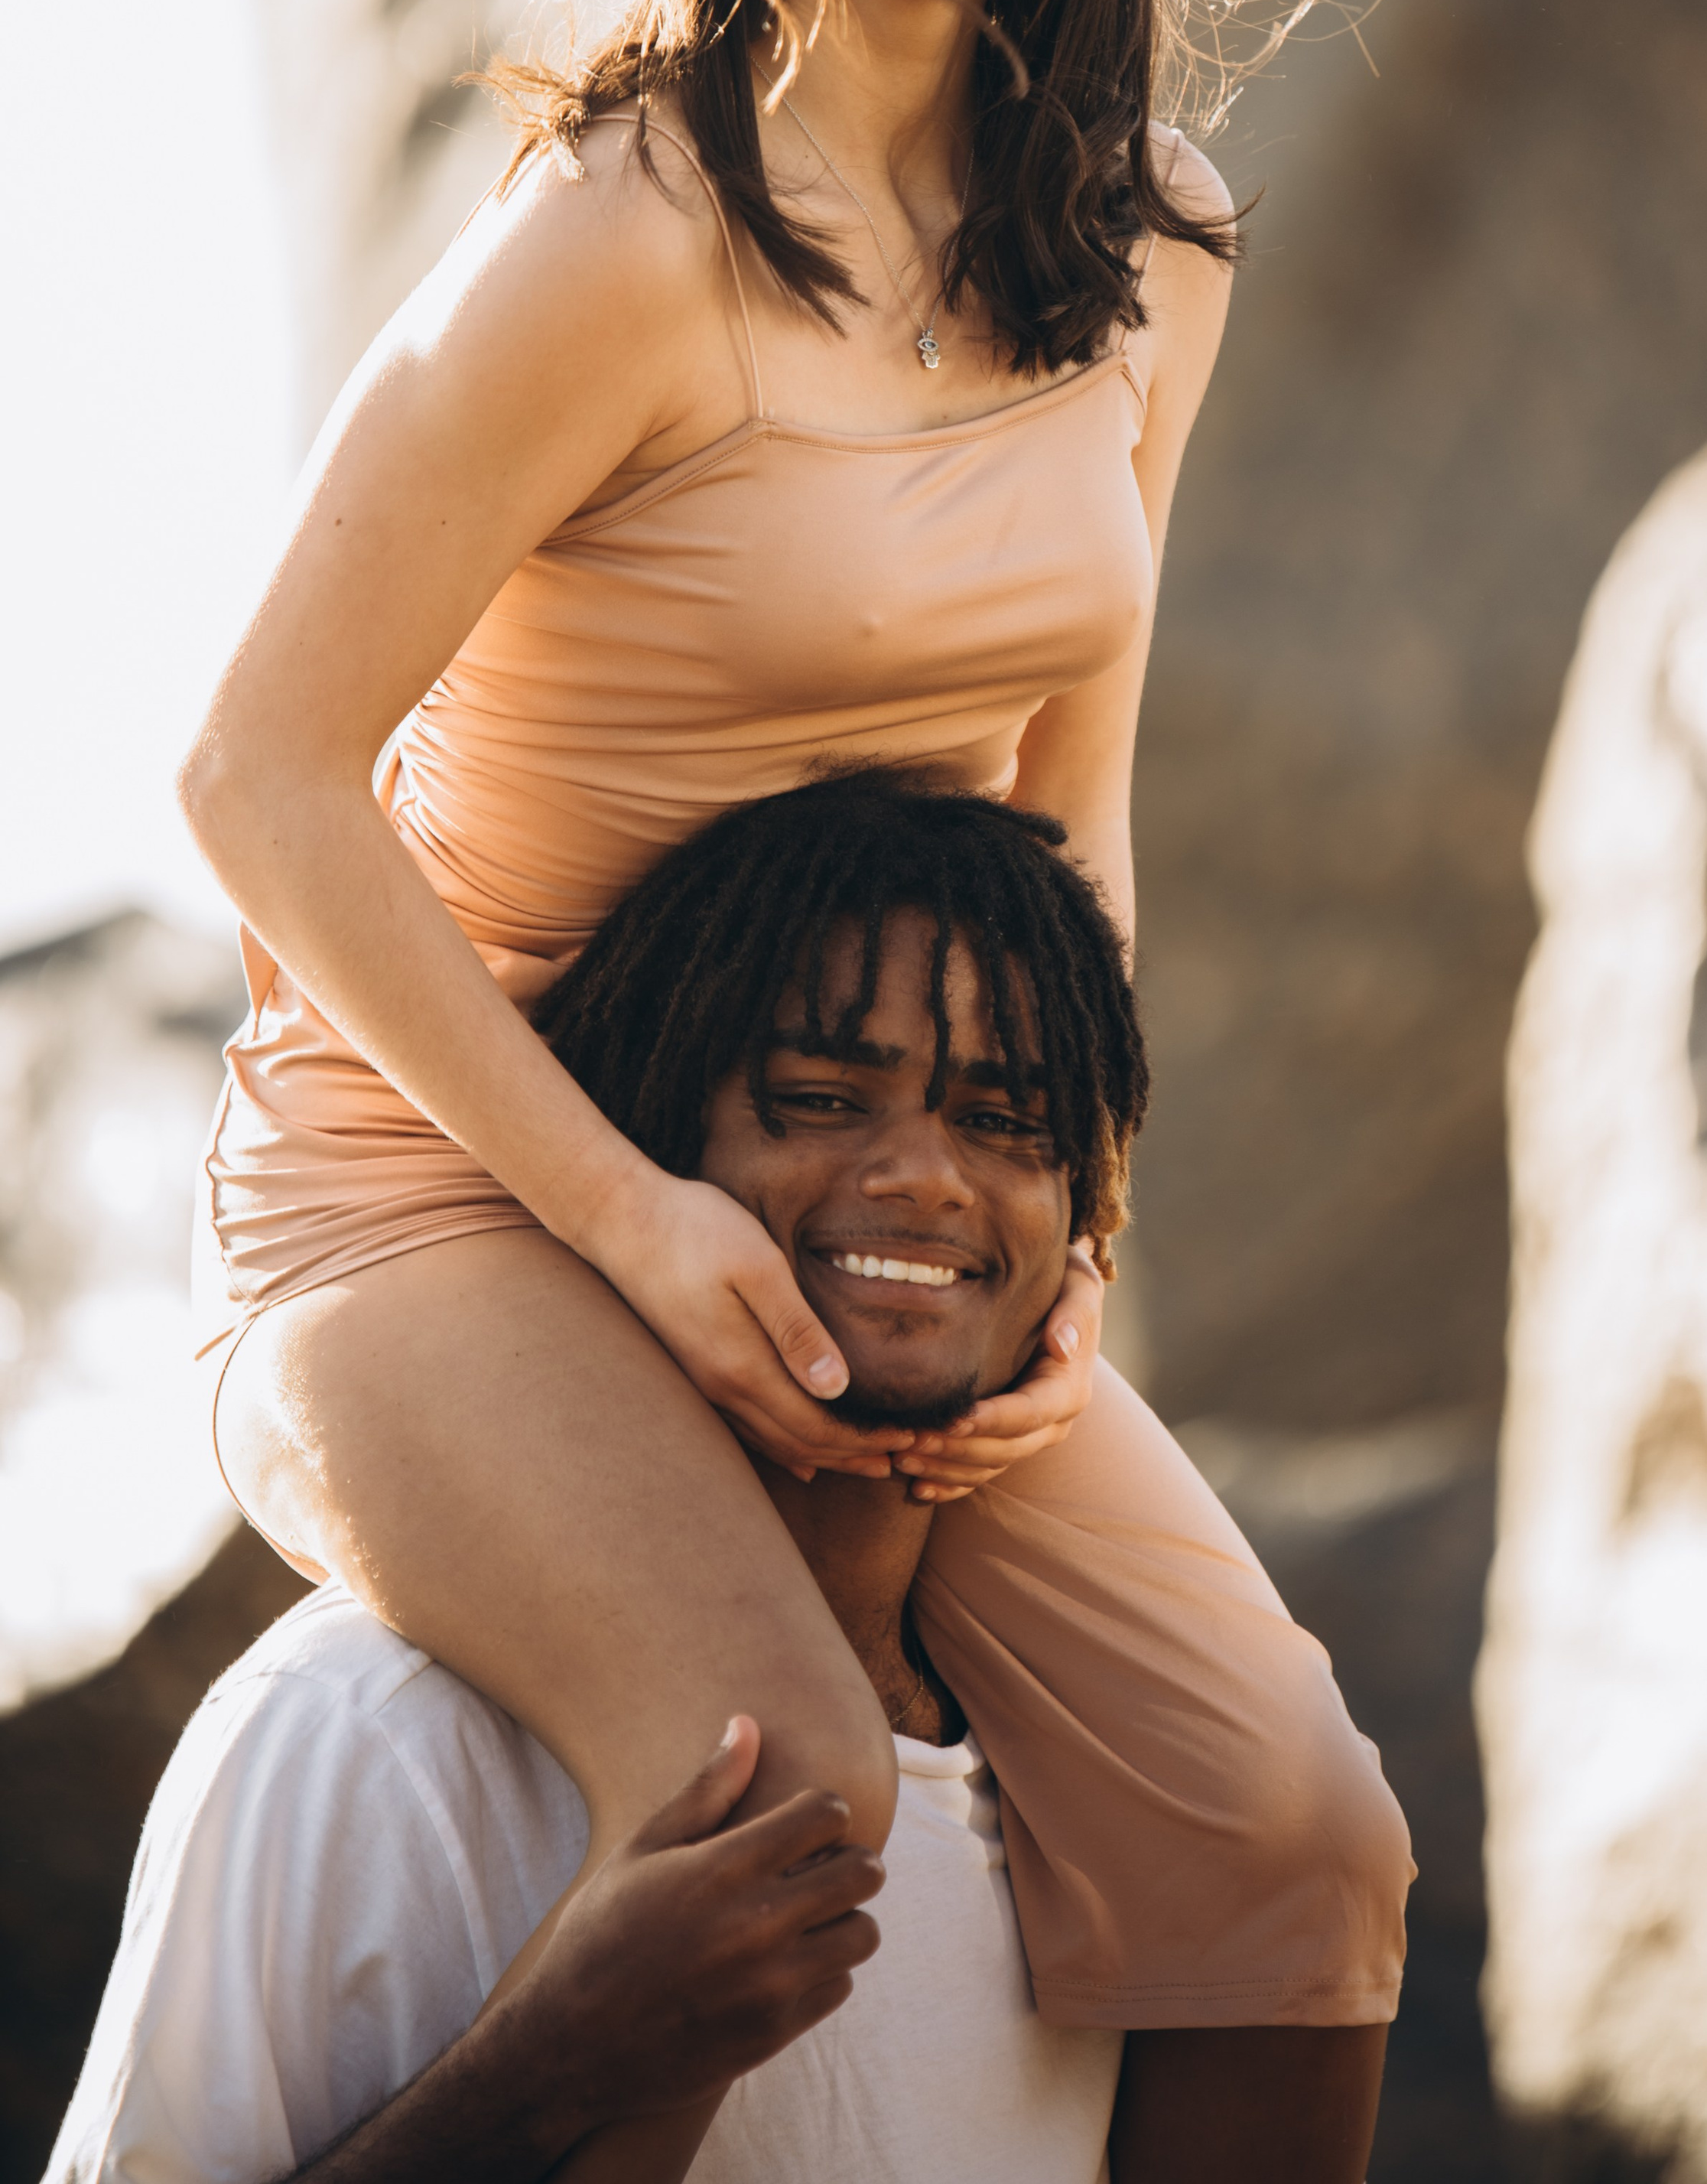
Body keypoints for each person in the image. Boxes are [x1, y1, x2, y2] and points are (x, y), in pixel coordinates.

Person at [178, 0, 1412, 2183]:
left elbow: (1063, 810)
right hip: (447, 1193)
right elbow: (252, 775)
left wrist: (1066, 1226)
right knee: (789, 1803)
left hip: (864, 1179)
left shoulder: (1152, 247)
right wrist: (628, 1221)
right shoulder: (621, 234)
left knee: (1302, 1853)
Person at [54, 779, 1383, 2180]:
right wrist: (544, 2065)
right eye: (817, 1099)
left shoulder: (1119, 1802)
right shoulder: (365, 1735)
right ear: (643, 1164)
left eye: (1008, 1123)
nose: (929, 1177)